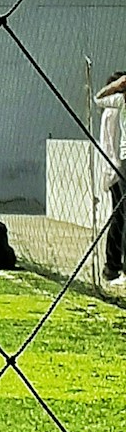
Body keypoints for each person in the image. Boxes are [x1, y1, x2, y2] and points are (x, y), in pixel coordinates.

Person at [98, 71, 126, 287]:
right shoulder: (115, 110)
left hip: (114, 169)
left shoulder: (112, 110)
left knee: (118, 217)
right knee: (119, 219)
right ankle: (113, 264)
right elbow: (113, 143)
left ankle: (112, 264)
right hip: (117, 169)